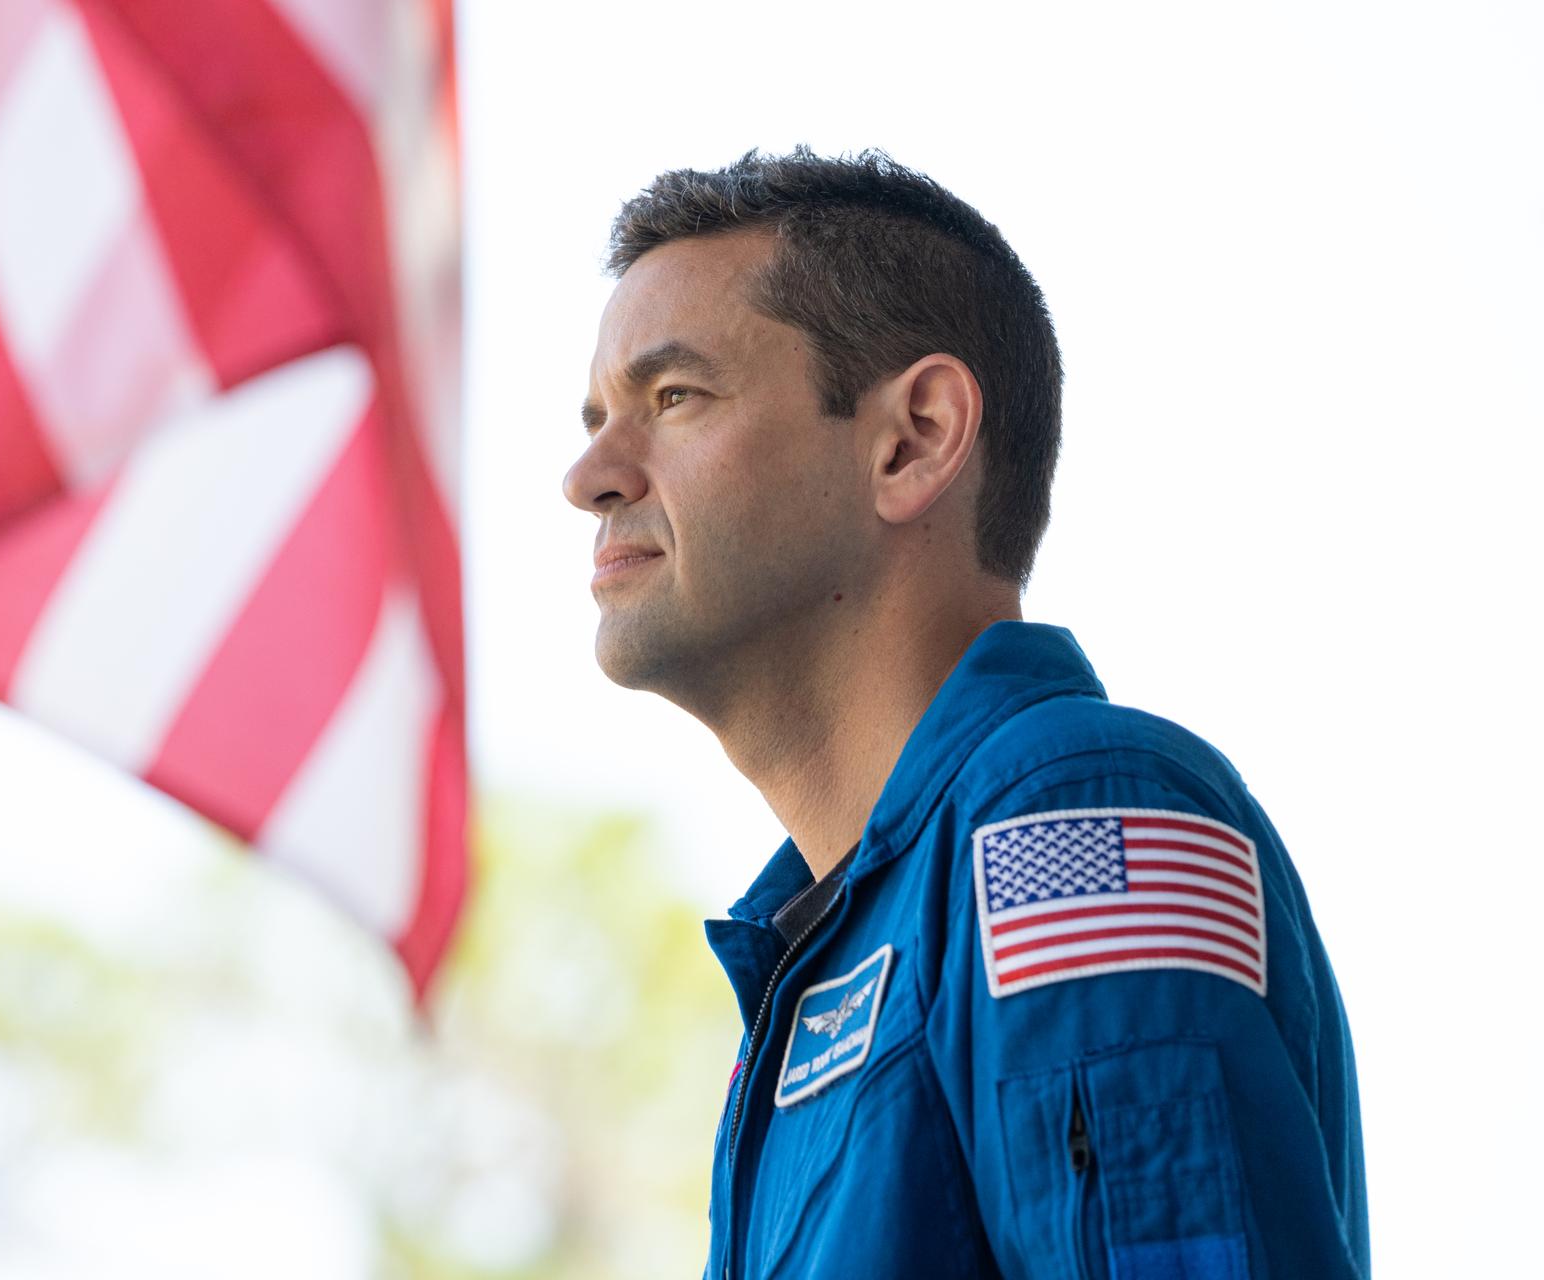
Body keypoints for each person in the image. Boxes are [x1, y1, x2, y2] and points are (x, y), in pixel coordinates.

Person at [561, 148, 1367, 1279]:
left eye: (673, 397)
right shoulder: (812, 968)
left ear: (915, 436)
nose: (589, 474)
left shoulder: (1071, 814)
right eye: (597, 415)